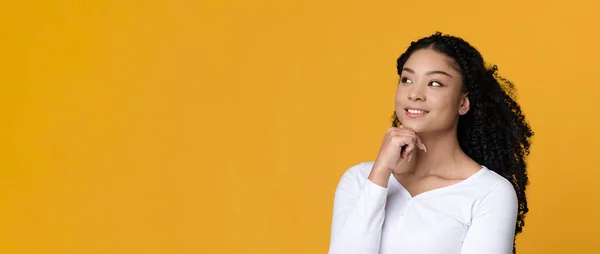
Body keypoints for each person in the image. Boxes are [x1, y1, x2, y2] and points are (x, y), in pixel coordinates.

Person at [327, 32, 533, 254]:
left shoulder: (490, 193)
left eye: (435, 83)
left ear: (463, 103)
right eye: (407, 80)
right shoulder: (359, 180)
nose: (414, 94)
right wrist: (380, 173)